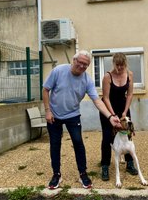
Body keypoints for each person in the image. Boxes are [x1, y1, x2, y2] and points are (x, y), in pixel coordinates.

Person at [42, 50, 121, 189]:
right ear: (74, 60)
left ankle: (83, 173)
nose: (83, 66)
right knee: (55, 145)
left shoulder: (87, 80)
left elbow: (97, 100)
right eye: (81, 63)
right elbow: (45, 89)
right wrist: (47, 111)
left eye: (86, 65)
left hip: (73, 115)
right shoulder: (59, 71)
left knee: (78, 143)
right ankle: (56, 174)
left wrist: (110, 117)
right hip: (53, 114)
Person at [99, 52, 138, 181]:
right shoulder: (108, 76)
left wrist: (125, 111)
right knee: (107, 137)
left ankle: (130, 163)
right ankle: (105, 165)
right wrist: (112, 115)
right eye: (117, 65)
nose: (120, 68)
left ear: (125, 63)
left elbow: (130, 94)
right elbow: (105, 98)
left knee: (128, 134)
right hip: (108, 109)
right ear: (114, 63)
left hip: (123, 108)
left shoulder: (130, 74)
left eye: (122, 65)